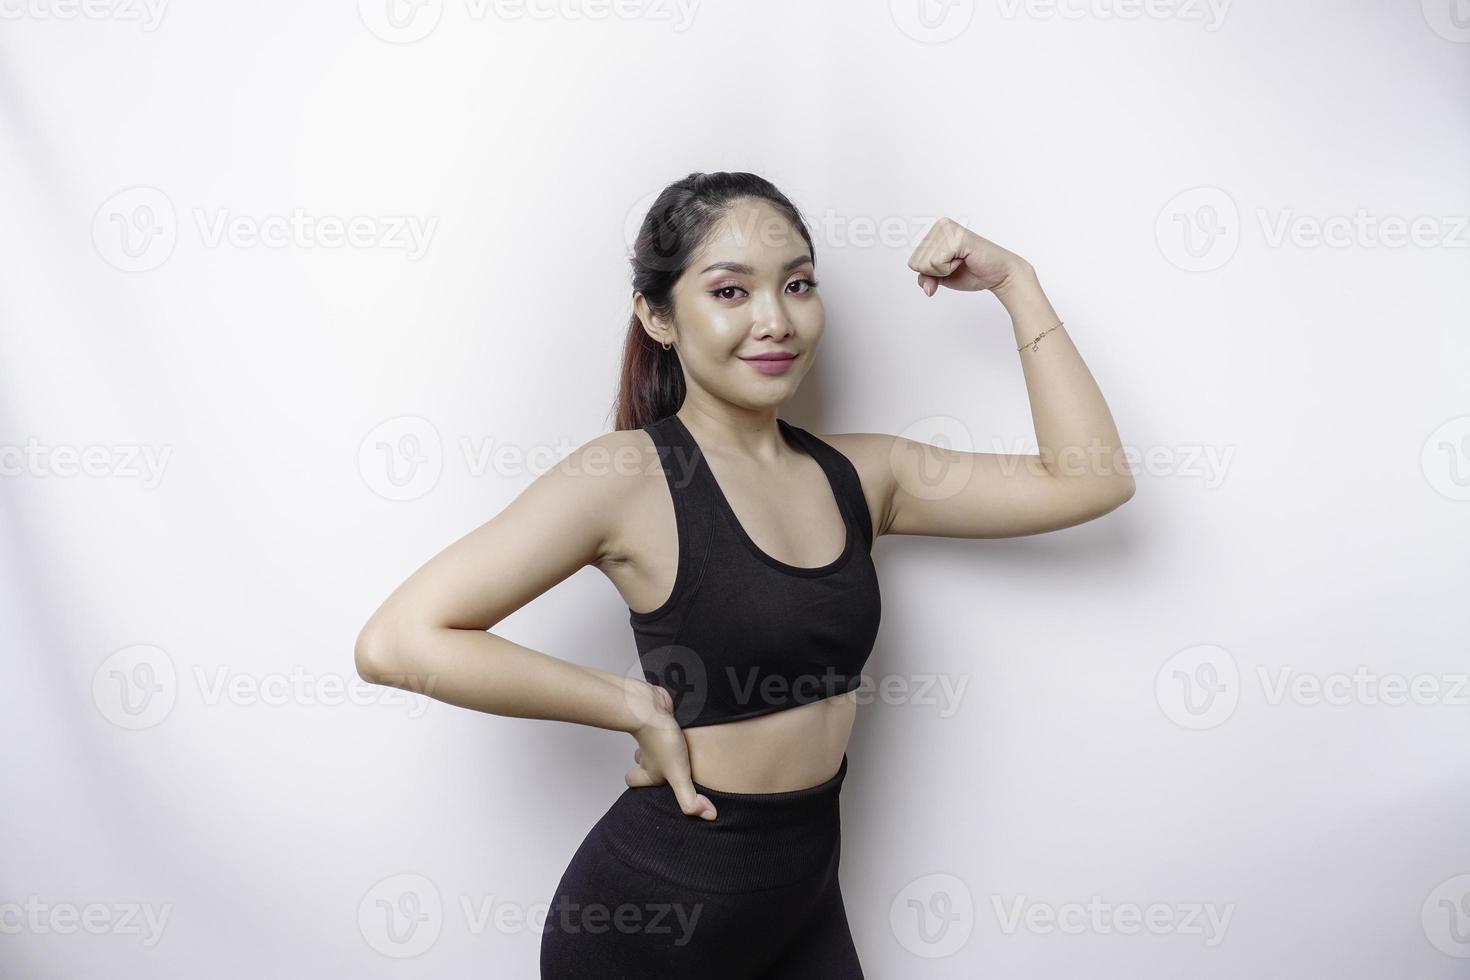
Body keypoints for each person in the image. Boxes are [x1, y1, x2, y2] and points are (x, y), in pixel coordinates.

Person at [354, 171, 1134, 977]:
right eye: (731, 291)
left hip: (803, 902)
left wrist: (1017, 285)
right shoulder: (626, 476)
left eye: (798, 285)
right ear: (657, 316)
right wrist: (630, 705)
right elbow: (398, 641)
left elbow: (1088, 479)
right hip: (655, 919)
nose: (776, 320)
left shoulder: (864, 475)